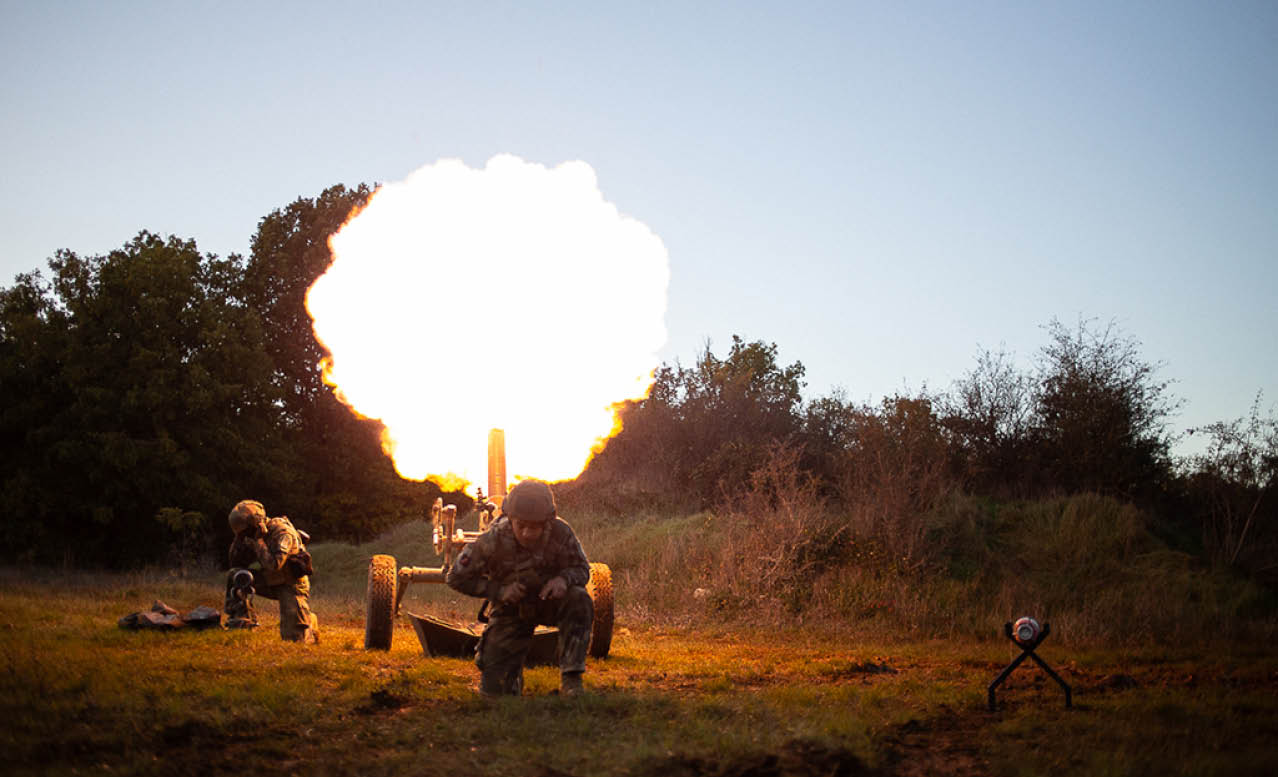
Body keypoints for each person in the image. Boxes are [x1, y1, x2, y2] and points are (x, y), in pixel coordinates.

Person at [446, 479, 594, 696]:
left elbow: (582, 569)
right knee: (496, 693)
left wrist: (563, 580)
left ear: (547, 522)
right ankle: (511, 678)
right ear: (510, 519)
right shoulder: (492, 540)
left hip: (550, 602)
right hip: (511, 608)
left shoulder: (561, 533)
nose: (526, 533)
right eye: (521, 525)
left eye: (534, 527)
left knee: (579, 599)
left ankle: (572, 678)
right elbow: (456, 577)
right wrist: (499, 591)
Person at [224, 499, 319, 643]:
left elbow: (275, 565)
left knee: (294, 640)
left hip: (291, 585)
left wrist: (259, 543)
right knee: (236, 575)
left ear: (257, 523)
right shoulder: (251, 535)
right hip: (270, 579)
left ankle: (309, 621)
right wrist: (238, 542)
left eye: (246, 531)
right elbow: (235, 563)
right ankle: (241, 620)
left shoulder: (283, 533)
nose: (245, 535)